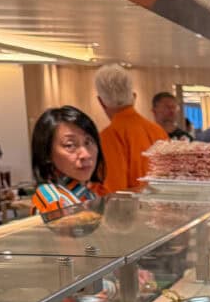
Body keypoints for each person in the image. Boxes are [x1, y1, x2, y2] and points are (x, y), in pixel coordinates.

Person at [95, 64, 167, 194]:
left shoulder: (109, 136)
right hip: (160, 208)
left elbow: (114, 191)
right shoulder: (158, 131)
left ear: (101, 101)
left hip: (130, 212)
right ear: (134, 97)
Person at [30, 106, 105, 213]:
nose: (85, 154)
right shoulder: (53, 201)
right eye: (70, 145)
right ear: (47, 153)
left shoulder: (86, 193)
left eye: (88, 142)